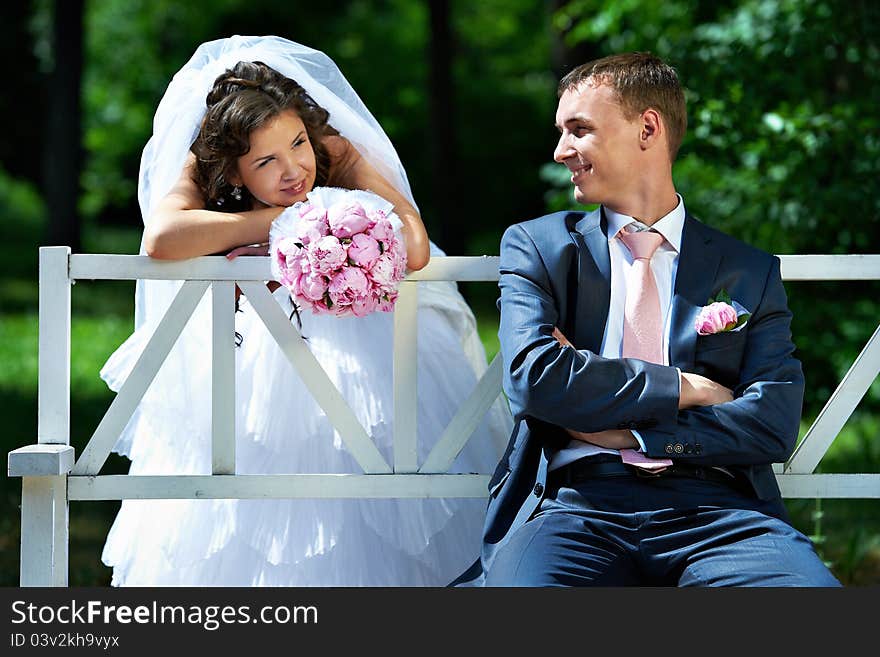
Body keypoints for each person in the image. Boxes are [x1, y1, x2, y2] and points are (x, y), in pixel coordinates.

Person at [99, 35, 512, 586]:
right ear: (233, 171)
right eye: (266, 161)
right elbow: (163, 238)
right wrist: (275, 225)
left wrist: (328, 215)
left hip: (360, 339)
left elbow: (413, 246)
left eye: (297, 143)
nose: (294, 169)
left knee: (371, 467)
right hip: (245, 353)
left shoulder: (332, 150)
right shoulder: (203, 167)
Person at [453, 52, 839, 587]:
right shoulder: (539, 246)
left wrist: (627, 433)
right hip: (575, 507)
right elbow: (534, 380)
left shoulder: (746, 269)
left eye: (579, 130)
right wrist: (684, 387)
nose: (561, 150)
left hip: (720, 512)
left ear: (648, 128)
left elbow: (771, 422)